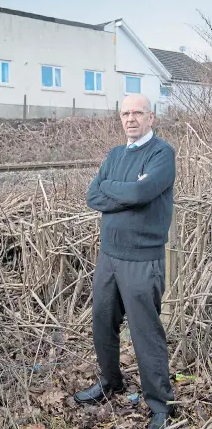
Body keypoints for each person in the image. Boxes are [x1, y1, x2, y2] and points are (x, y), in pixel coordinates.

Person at [74, 93, 176, 429]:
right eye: (125, 113)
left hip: (142, 260)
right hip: (109, 256)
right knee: (102, 322)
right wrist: (128, 189)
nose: (130, 119)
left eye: (137, 113)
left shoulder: (162, 153)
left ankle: (160, 404)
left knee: (145, 332)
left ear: (151, 117)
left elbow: (140, 194)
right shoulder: (115, 154)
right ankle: (110, 381)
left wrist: (118, 190)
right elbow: (93, 195)